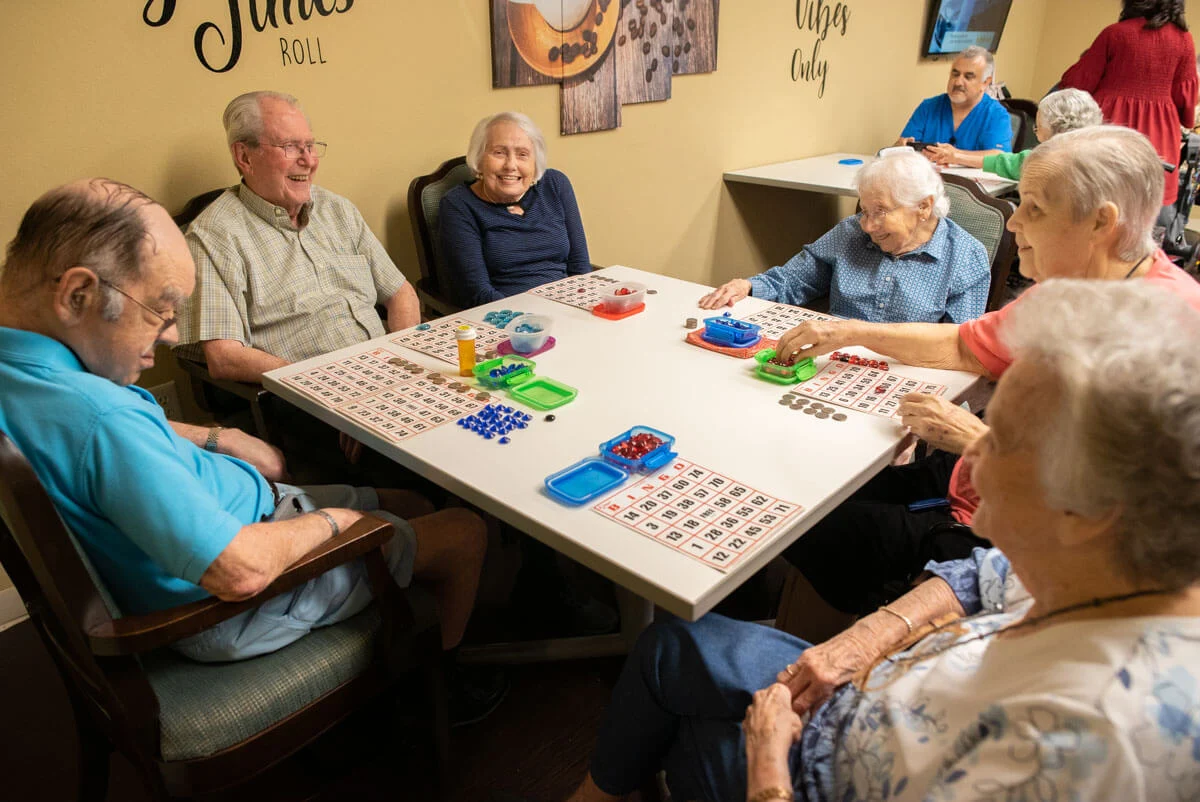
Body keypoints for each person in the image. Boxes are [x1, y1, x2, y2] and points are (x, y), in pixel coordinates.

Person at [562, 278, 1200, 802]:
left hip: (816, 777)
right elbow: (987, 575)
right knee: (670, 646)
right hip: (870, 696)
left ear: (1086, 509)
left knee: (670, 720)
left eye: (999, 442)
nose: (973, 462)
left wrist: (765, 769)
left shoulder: (1086, 747)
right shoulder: (1114, 562)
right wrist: (869, 637)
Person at [0, 179, 504, 722]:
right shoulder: (103, 418)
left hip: (237, 513)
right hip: (229, 603)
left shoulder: (27, 368)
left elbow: (106, 434)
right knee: (464, 530)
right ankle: (435, 686)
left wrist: (217, 436)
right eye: (160, 309)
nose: (170, 336)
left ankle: (402, 611)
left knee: (411, 502)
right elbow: (239, 572)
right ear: (77, 294)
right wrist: (337, 522)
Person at [773, 125, 1200, 616]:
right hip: (975, 478)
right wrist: (850, 332)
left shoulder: (1173, 334)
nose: (1013, 223)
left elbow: (1116, 522)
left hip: (998, 535)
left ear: (1102, 223)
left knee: (796, 521)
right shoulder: (1070, 287)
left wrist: (975, 441)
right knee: (809, 480)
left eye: (1035, 208)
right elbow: (963, 345)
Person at [176, 90, 421, 479]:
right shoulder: (213, 236)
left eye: (310, 145)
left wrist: (401, 365)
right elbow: (223, 357)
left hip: (387, 376)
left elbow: (400, 292)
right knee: (416, 462)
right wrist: (329, 390)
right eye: (291, 147)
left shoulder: (337, 209)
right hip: (305, 399)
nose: (309, 160)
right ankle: (441, 530)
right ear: (244, 156)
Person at [698, 152, 990, 323]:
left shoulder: (966, 258)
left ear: (923, 207)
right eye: (865, 211)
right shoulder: (850, 232)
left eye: (880, 212)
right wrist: (747, 286)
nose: (867, 226)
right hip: (834, 361)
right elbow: (794, 279)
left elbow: (958, 348)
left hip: (912, 377)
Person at [439, 111, 591, 309]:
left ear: (535, 162)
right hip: (506, 320)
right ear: (479, 159)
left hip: (568, 308)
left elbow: (580, 267)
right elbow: (477, 293)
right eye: (499, 153)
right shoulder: (458, 205)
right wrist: (530, 322)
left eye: (522, 155)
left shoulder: (555, 185)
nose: (511, 165)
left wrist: (579, 312)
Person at [1059, 0, 1197, 208]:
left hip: (1108, 128)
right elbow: (1186, 107)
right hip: (1157, 140)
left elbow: (1077, 83)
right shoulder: (1183, 40)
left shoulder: (1114, 33)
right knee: (1144, 212)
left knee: (1096, 204)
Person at [933, 87, 1103, 178]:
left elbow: (1006, 163)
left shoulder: (1044, 162)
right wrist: (955, 156)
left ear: (1056, 130)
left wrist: (956, 156)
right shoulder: (1105, 157)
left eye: (1037, 128)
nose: (1035, 134)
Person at [896, 46, 1013, 160]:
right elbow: (904, 147)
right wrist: (898, 148)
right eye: (955, 74)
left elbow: (999, 157)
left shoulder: (996, 114)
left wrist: (955, 155)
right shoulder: (928, 107)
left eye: (968, 77)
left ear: (985, 83)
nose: (958, 82)